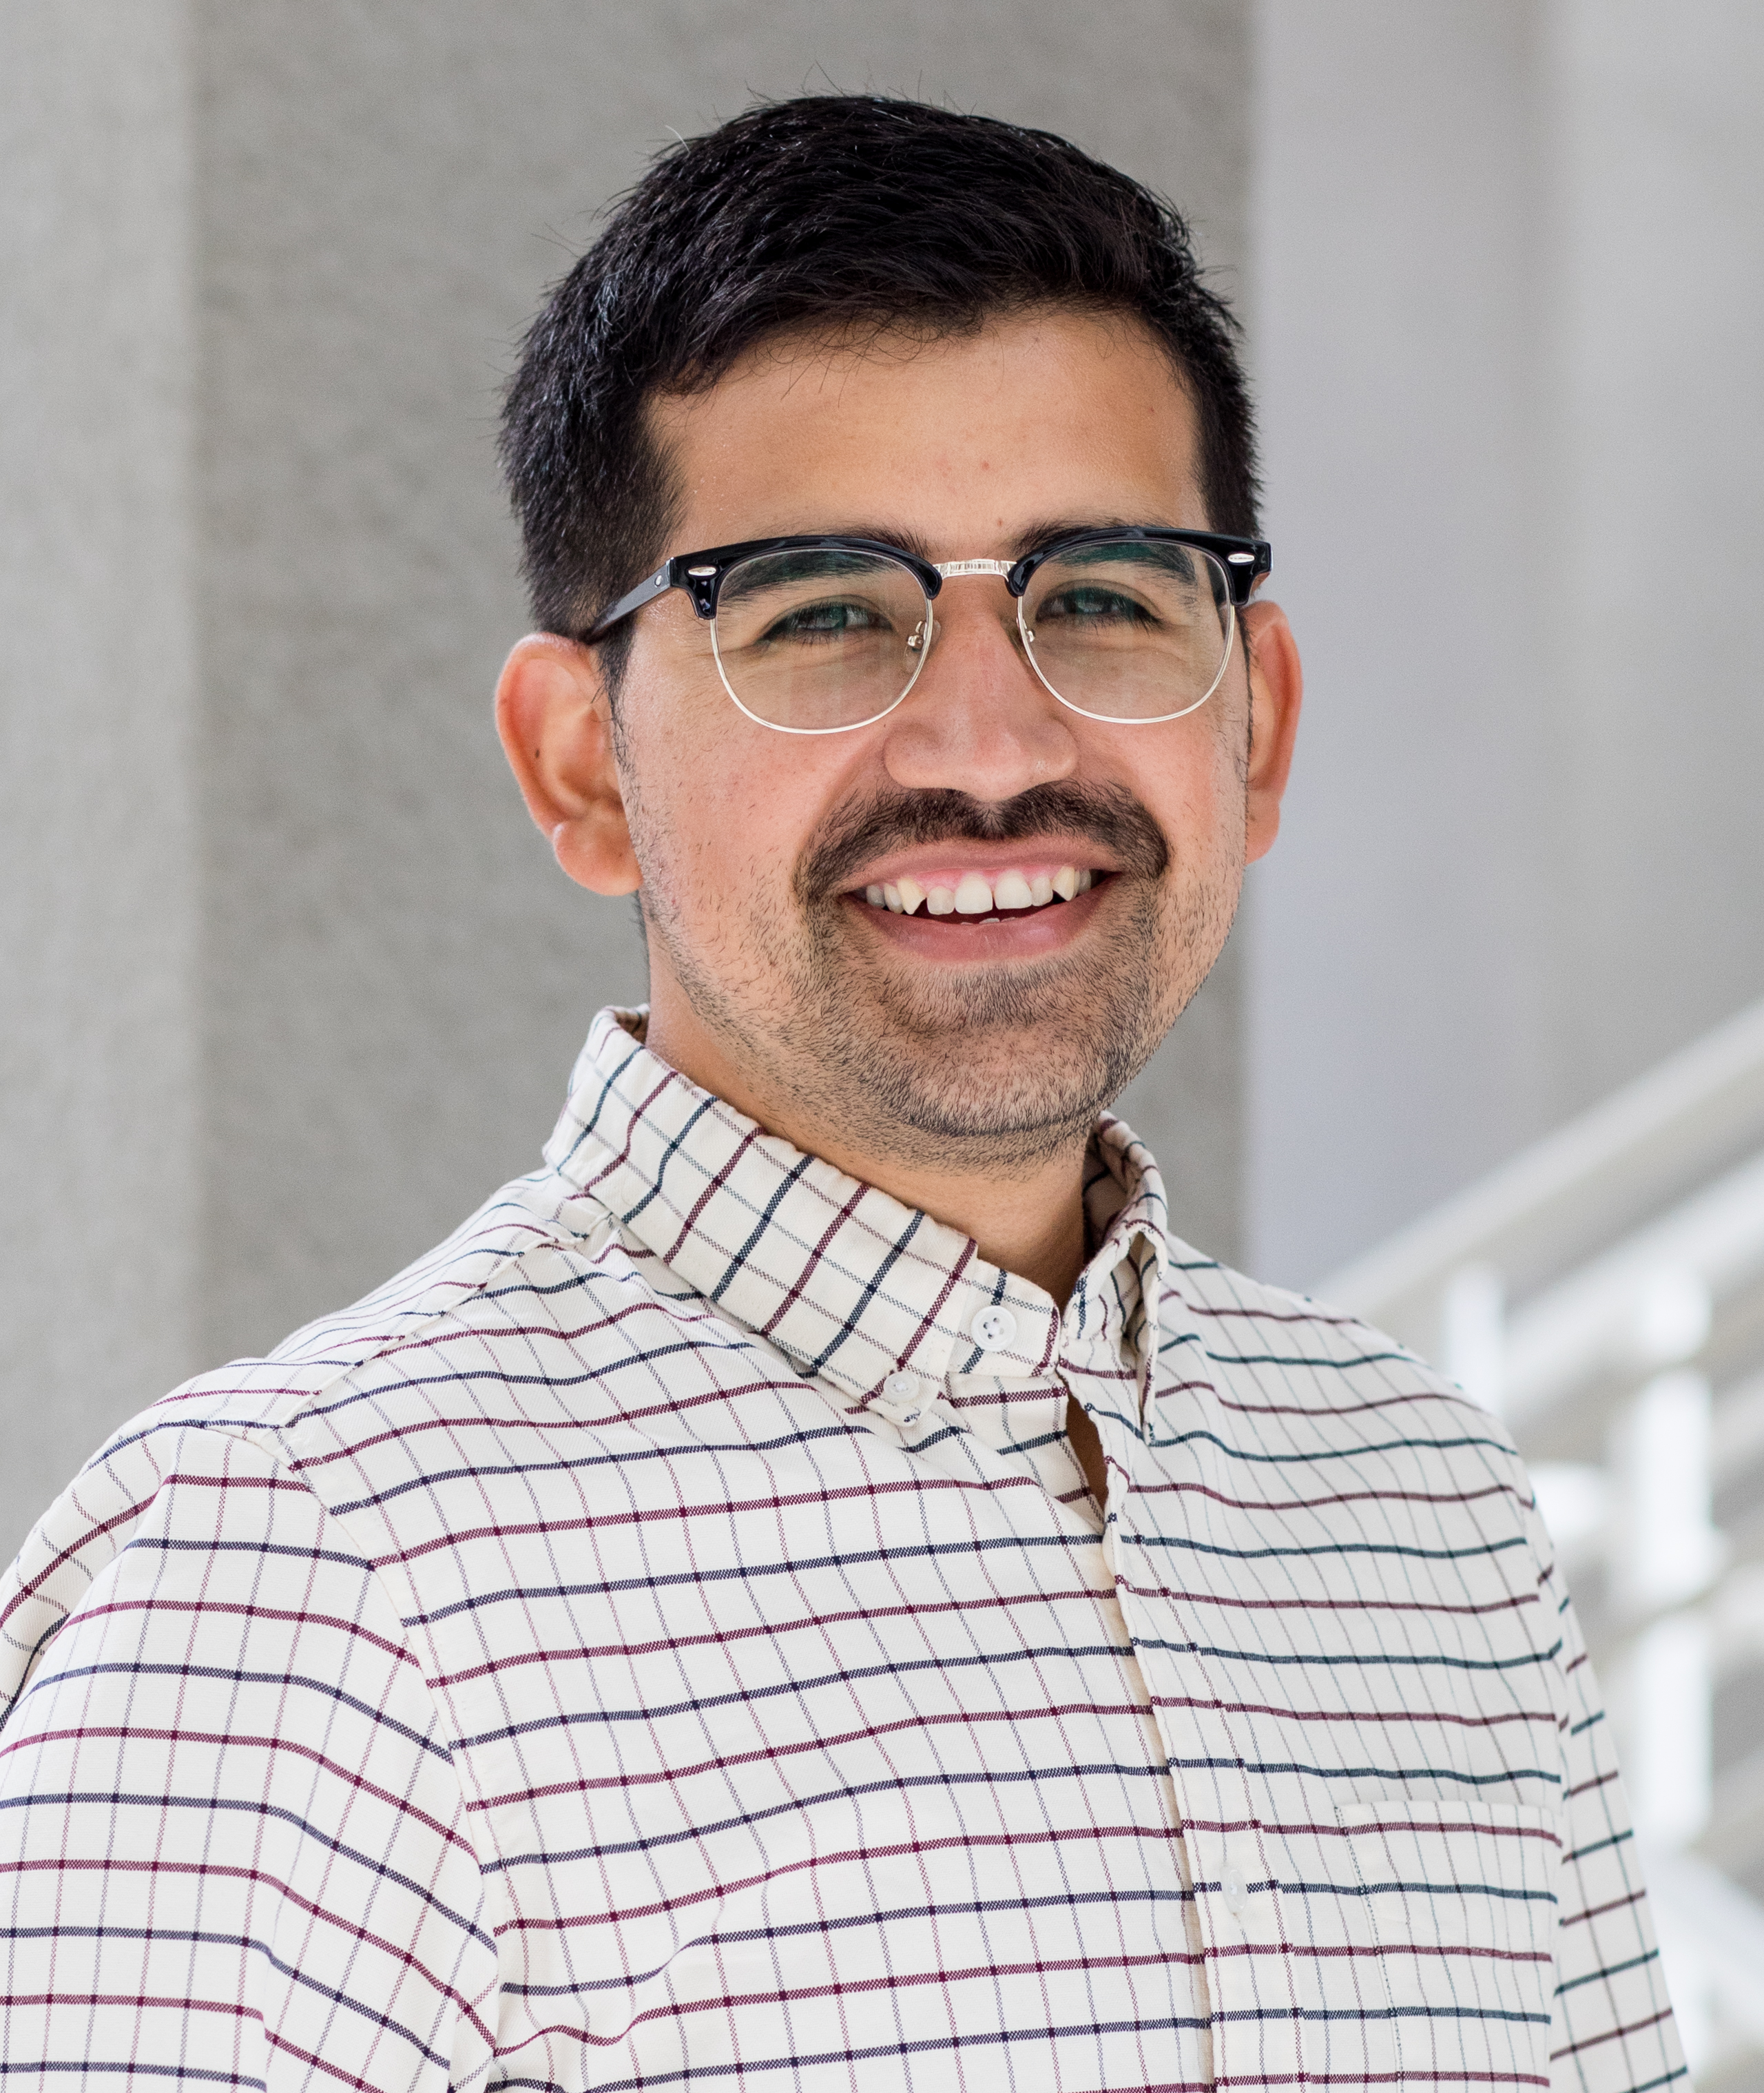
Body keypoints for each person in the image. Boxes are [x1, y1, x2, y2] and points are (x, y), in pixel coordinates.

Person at [0, 95, 1679, 2093]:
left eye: (1102, 596)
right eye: (820, 617)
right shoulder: (302, 1589)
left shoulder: (1427, 1514)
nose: (987, 741)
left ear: (1254, 726)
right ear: (579, 768)